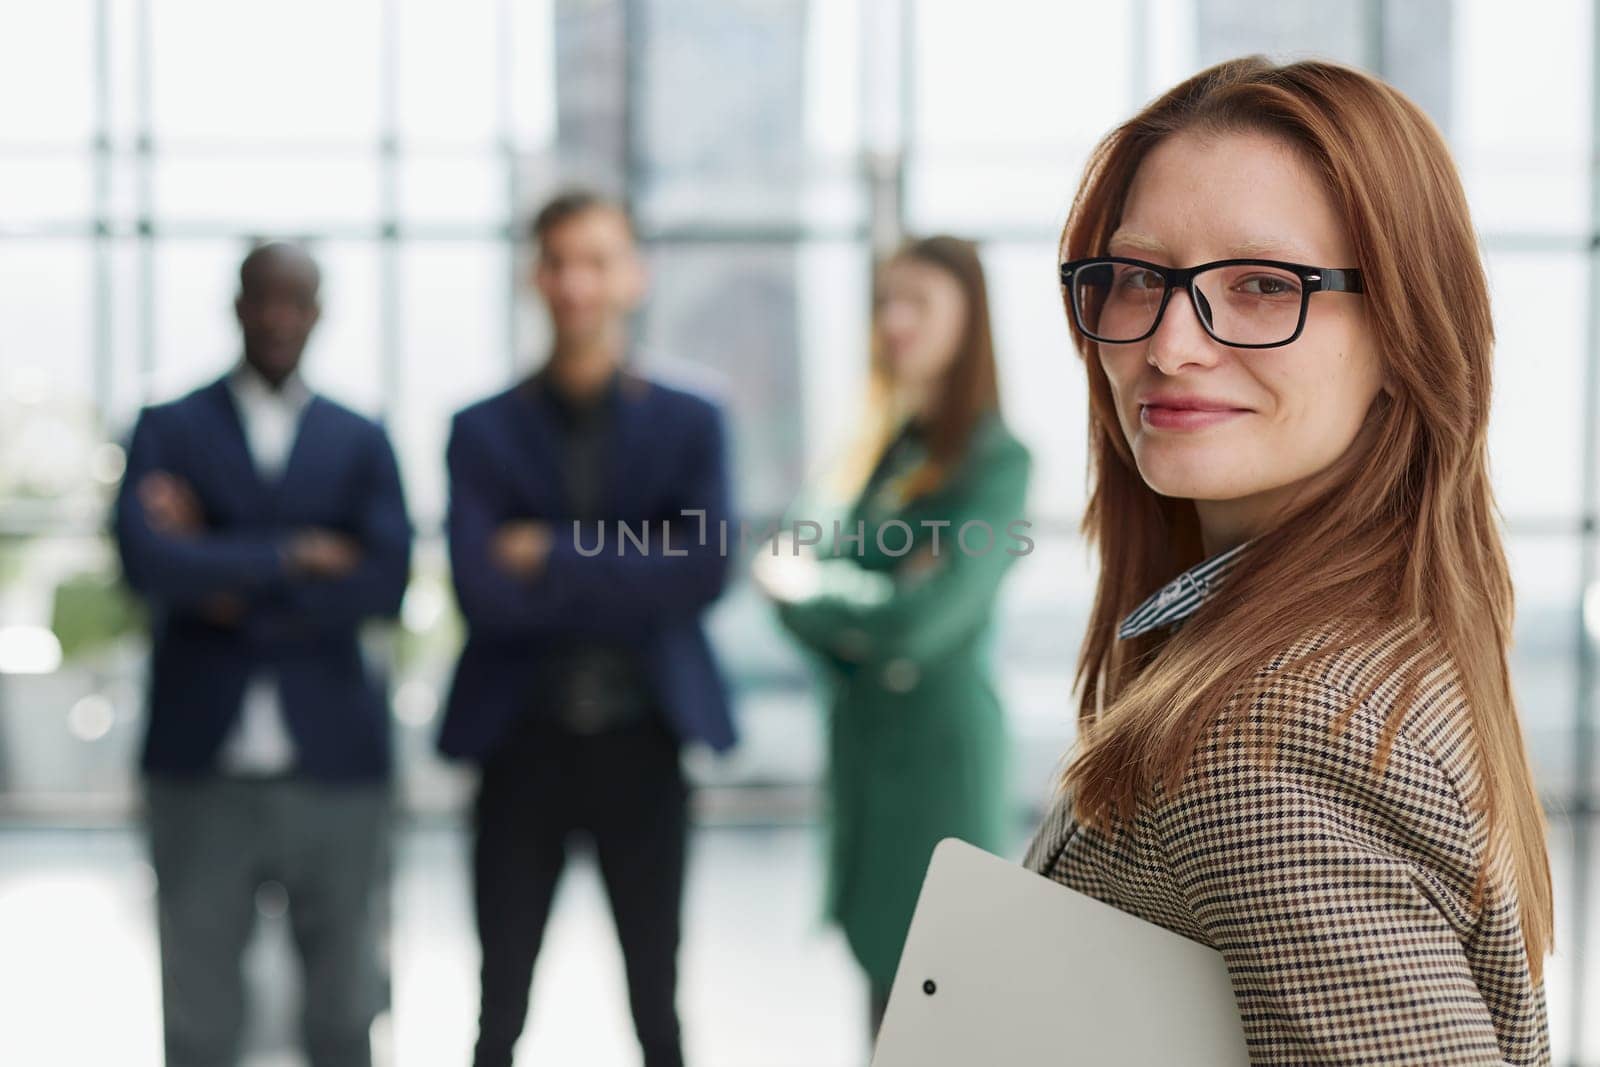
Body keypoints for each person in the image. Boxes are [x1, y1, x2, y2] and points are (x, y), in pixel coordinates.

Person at [1021, 57, 1552, 1064]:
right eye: (1138, 276)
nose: (1171, 343)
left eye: (1263, 285)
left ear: (1404, 332)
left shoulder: (1276, 733)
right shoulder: (1359, 634)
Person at [437, 190, 736, 1067]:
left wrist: (549, 552)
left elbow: (704, 567)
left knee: (658, 1006)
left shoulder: (692, 419)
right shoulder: (479, 428)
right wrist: (636, 565)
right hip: (517, 742)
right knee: (499, 1008)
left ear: (633, 277)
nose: (577, 283)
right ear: (536, 276)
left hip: (645, 740)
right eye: (560, 261)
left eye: (597, 261)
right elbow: (482, 592)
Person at [113, 241, 412, 1067]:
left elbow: (384, 580)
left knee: (345, 1016)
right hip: (199, 770)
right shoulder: (168, 426)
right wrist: (297, 557)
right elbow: (147, 564)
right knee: (202, 1023)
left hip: (337, 770)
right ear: (237, 305)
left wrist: (217, 563)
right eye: (262, 299)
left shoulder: (359, 436)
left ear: (318, 313)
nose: (278, 317)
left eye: (296, 301)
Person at [753, 235, 1032, 1038]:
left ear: (968, 321)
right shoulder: (867, 454)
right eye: (884, 302)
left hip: (940, 762)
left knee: (939, 1007)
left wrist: (819, 590)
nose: (894, 321)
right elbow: (784, 582)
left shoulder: (994, 463)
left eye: (919, 303)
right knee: (880, 994)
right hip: (865, 750)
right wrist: (854, 606)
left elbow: (923, 621)